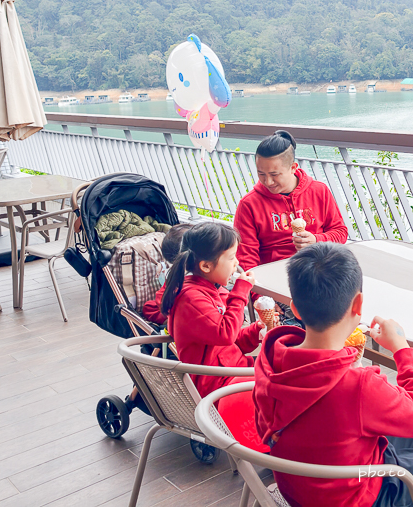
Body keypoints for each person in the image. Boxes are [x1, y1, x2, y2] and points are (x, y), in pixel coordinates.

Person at [251, 242, 413, 507]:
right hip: (359, 496)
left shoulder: (271, 358)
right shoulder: (358, 385)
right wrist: (402, 348)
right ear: (359, 304)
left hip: (303, 487)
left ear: (294, 308)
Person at [160, 221, 267, 451]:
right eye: (231, 257)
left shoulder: (210, 290)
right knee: (284, 384)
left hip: (233, 372)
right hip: (217, 384)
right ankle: (281, 451)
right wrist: (240, 291)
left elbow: (234, 340)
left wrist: (256, 329)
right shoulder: (192, 299)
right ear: (206, 266)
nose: (237, 263)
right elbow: (226, 334)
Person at [233, 129, 349, 273]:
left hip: (320, 272)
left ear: (293, 168)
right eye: (261, 174)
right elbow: (246, 258)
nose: (268, 181)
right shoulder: (249, 204)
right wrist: (258, 293)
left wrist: (317, 240)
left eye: (274, 174)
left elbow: (340, 232)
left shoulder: (319, 191)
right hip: (276, 275)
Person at [141, 222, 192, 325]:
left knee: (150, 307)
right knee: (152, 308)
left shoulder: (175, 274)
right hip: (179, 310)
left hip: (179, 308)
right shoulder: (181, 279)